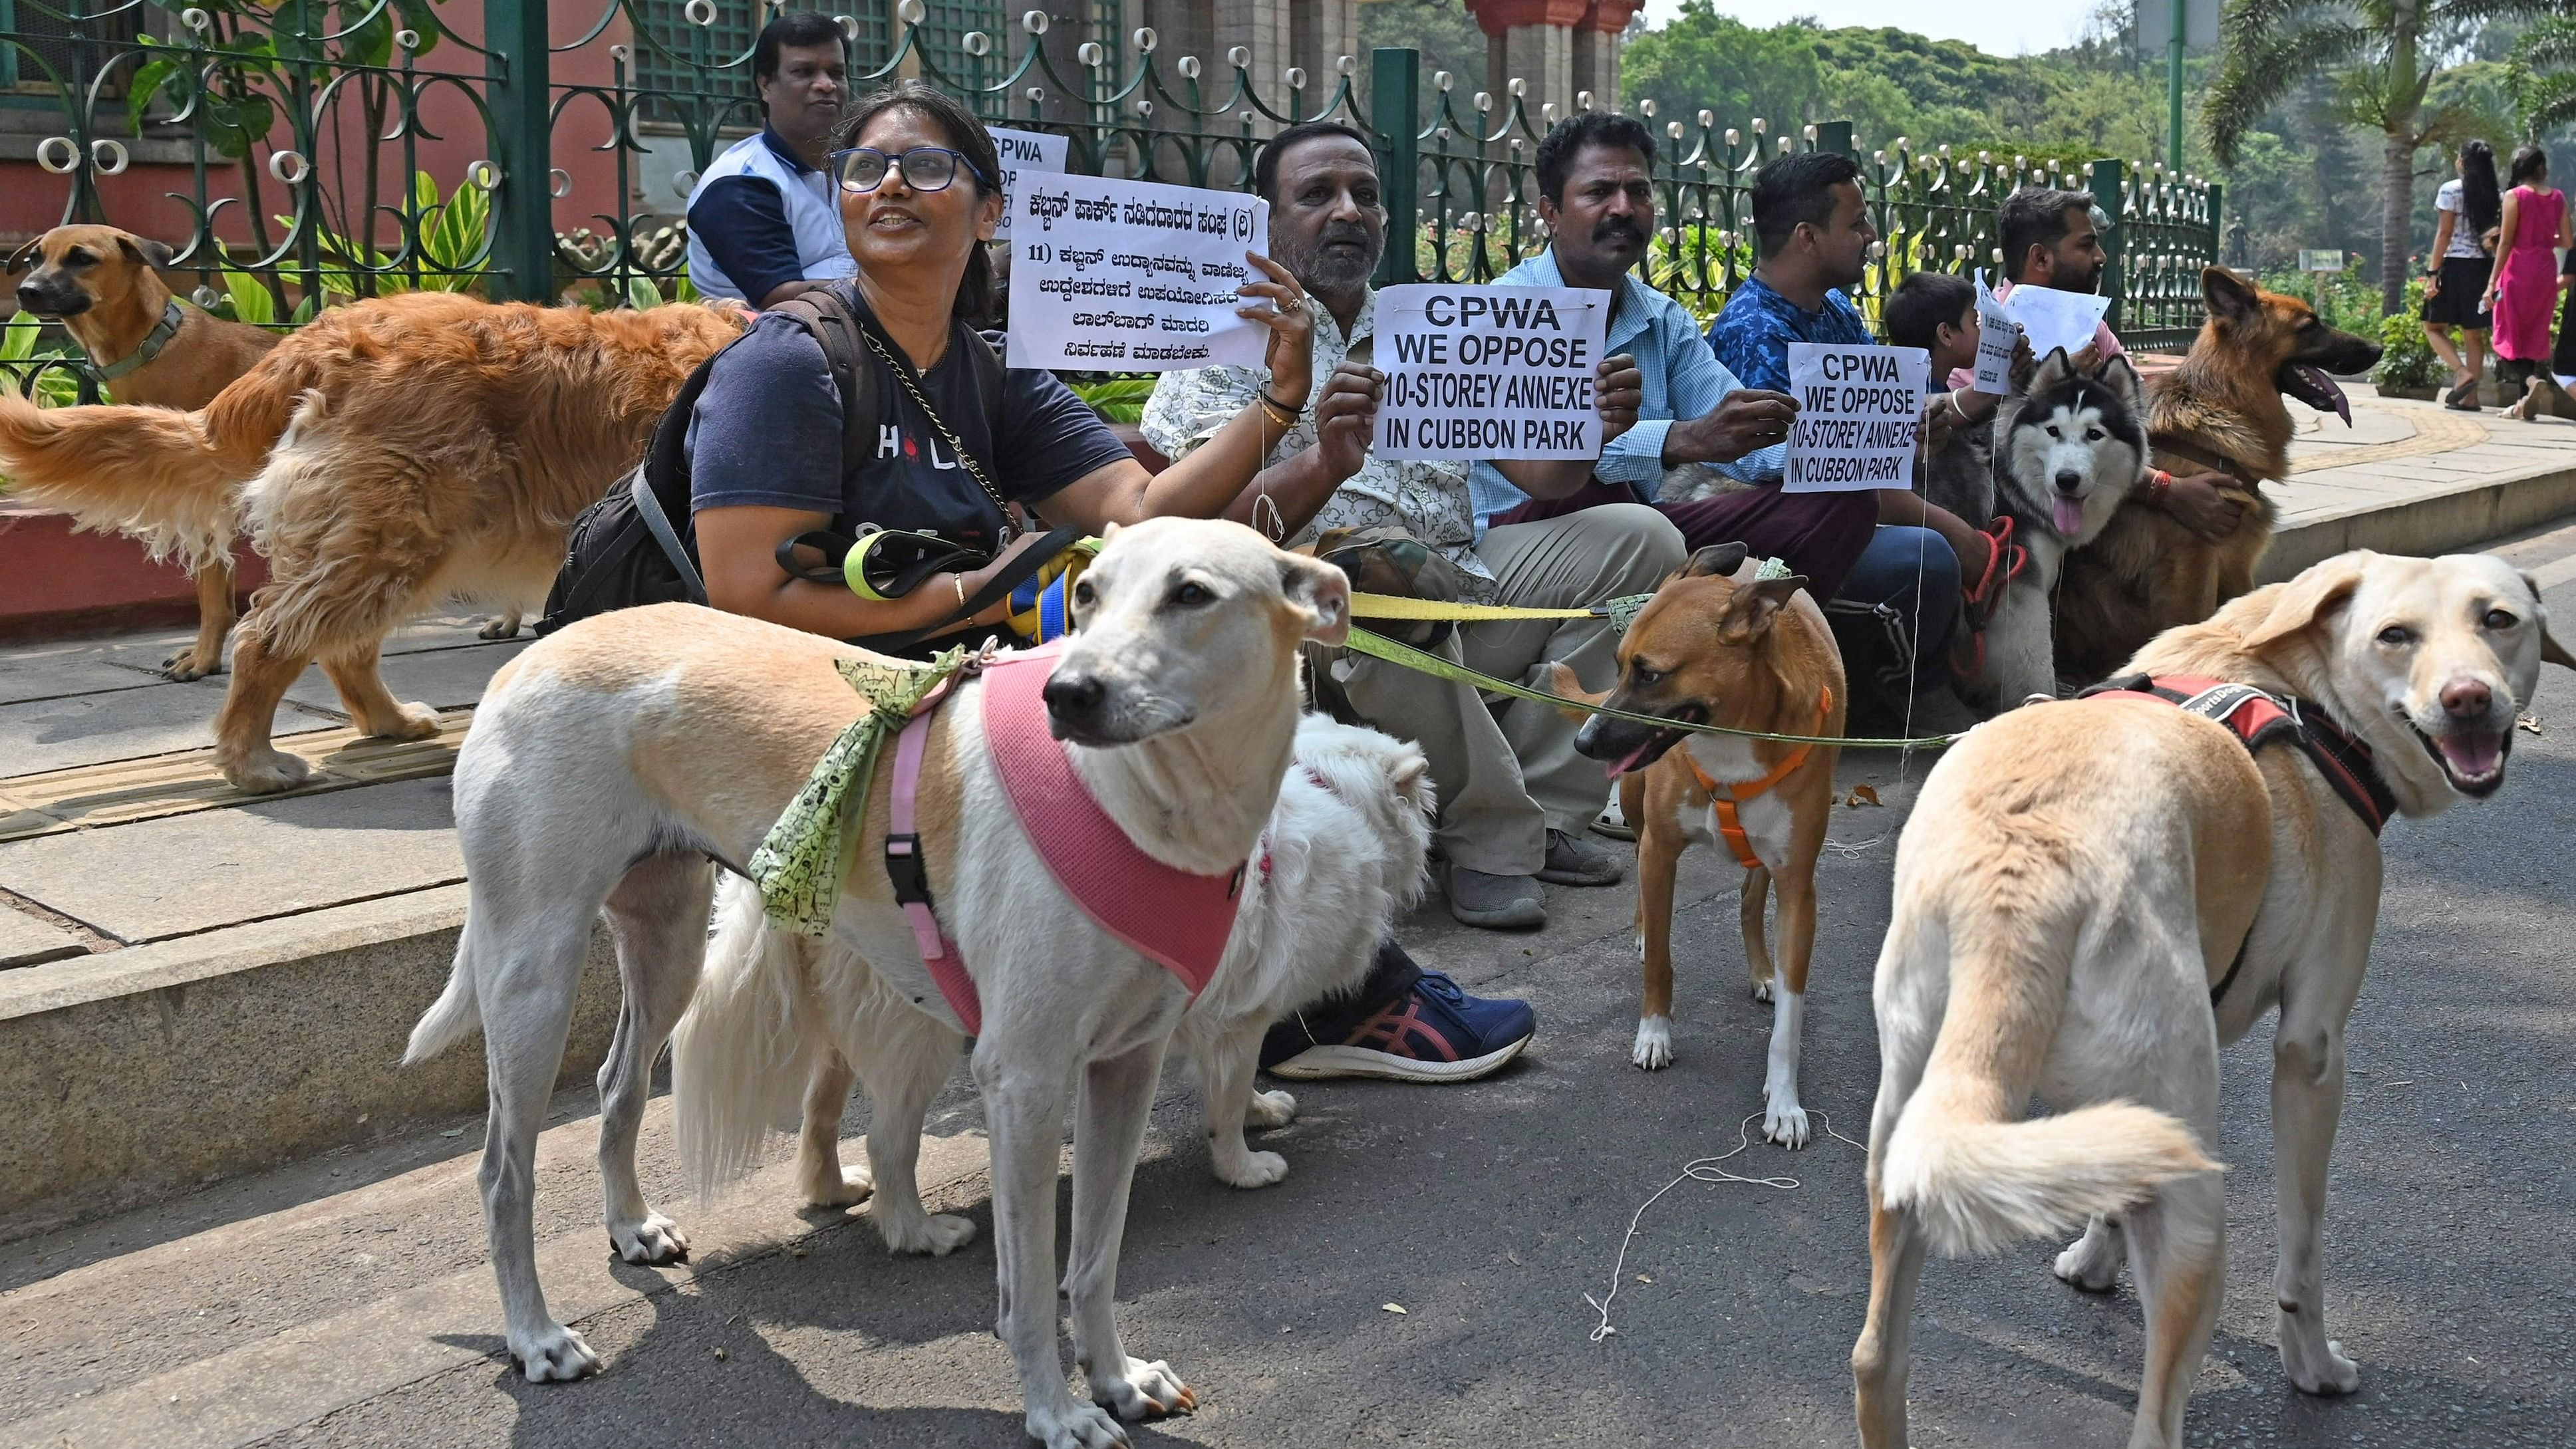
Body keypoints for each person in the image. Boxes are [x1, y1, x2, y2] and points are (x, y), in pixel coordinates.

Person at [692, 87, 1534, 1085]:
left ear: (990, 211)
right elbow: (745, 600)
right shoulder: (789, 364)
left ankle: (1284, 998)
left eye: (925, 167)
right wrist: (968, 595)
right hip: (821, 707)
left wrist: (1281, 397)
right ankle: (1318, 1005)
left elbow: (1140, 508)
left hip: (951, 690)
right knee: (1155, 726)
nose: (890, 187)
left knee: (1207, 694)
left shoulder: (990, 376)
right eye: (865, 169)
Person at [1142, 120, 1657, 936]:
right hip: (1317, 629)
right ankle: (1491, 843)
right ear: (1265, 220)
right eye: (1318, 195)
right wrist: (1324, 466)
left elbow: (1544, 478)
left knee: (1641, 538)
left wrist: (1586, 425)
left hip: (1467, 585)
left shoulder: (1431, 321)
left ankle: (1546, 807)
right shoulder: (1228, 332)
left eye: (1367, 196)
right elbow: (1204, 529)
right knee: (1374, 572)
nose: (1349, 212)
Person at [1706, 150, 1983, 731]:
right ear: (1808, 237)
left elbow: (1876, 435)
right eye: (1856, 222)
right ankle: (1898, 696)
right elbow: (1806, 472)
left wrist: (1924, 426)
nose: (1870, 235)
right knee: (1929, 557)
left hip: (1857, 504)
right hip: (1788, 532)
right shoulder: (1755, 331)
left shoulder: (1835, 311)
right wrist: (1951, 530)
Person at [1989, 186, 2246, 545]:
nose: (2101, 257)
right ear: (2041, 258)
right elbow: (1988, 447)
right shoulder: (1991, 330)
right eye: (2085, 245)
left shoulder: (2092, 328)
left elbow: (2137, 412)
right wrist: (2166, 490)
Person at [683, 14, 859, 308]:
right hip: (772, 341)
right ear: (766, 86)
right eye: (804, 72)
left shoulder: (857, 168)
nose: (826, 85)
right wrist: (898, 290)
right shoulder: (741, 183)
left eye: (837, 73)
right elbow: (781, 297)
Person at [2483, 144, 2576, 420]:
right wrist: (2544, 237)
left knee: (2508, 332)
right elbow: (2569, 241)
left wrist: (2491, 283)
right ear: (2542, 168)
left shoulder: (2515, 196)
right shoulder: (2558, 197)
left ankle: (2532, 382)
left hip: (2518, 268)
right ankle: (2524, 402)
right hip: (2545, 271)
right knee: (2534, 333)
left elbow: (2507, 241)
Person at [2423, 140, 2501, 411]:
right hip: (2483, 269)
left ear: (2463, 163)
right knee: (2473, 335)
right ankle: (2471, 398)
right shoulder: (2497, 196)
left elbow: (2444, 234)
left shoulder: (2451, 190)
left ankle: (2461, 372)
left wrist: (2433, 272)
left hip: (2455, 266)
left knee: (2432, 327)